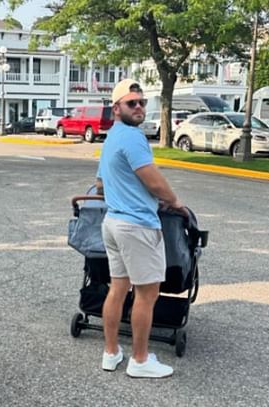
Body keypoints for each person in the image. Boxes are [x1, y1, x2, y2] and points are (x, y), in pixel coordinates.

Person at [96, 78, 188, 378]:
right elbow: (152, 179)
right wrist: (174, 201)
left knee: (118, 288)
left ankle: (111, 353)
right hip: (136, 226)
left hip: (112, 223)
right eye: (131, 103)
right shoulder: (134, 139)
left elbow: (100, 184)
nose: (138, 107)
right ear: (116, 107)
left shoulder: (112, 137)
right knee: (147, 295)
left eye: (142, 102)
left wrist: (124, 192)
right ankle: (139, 360)